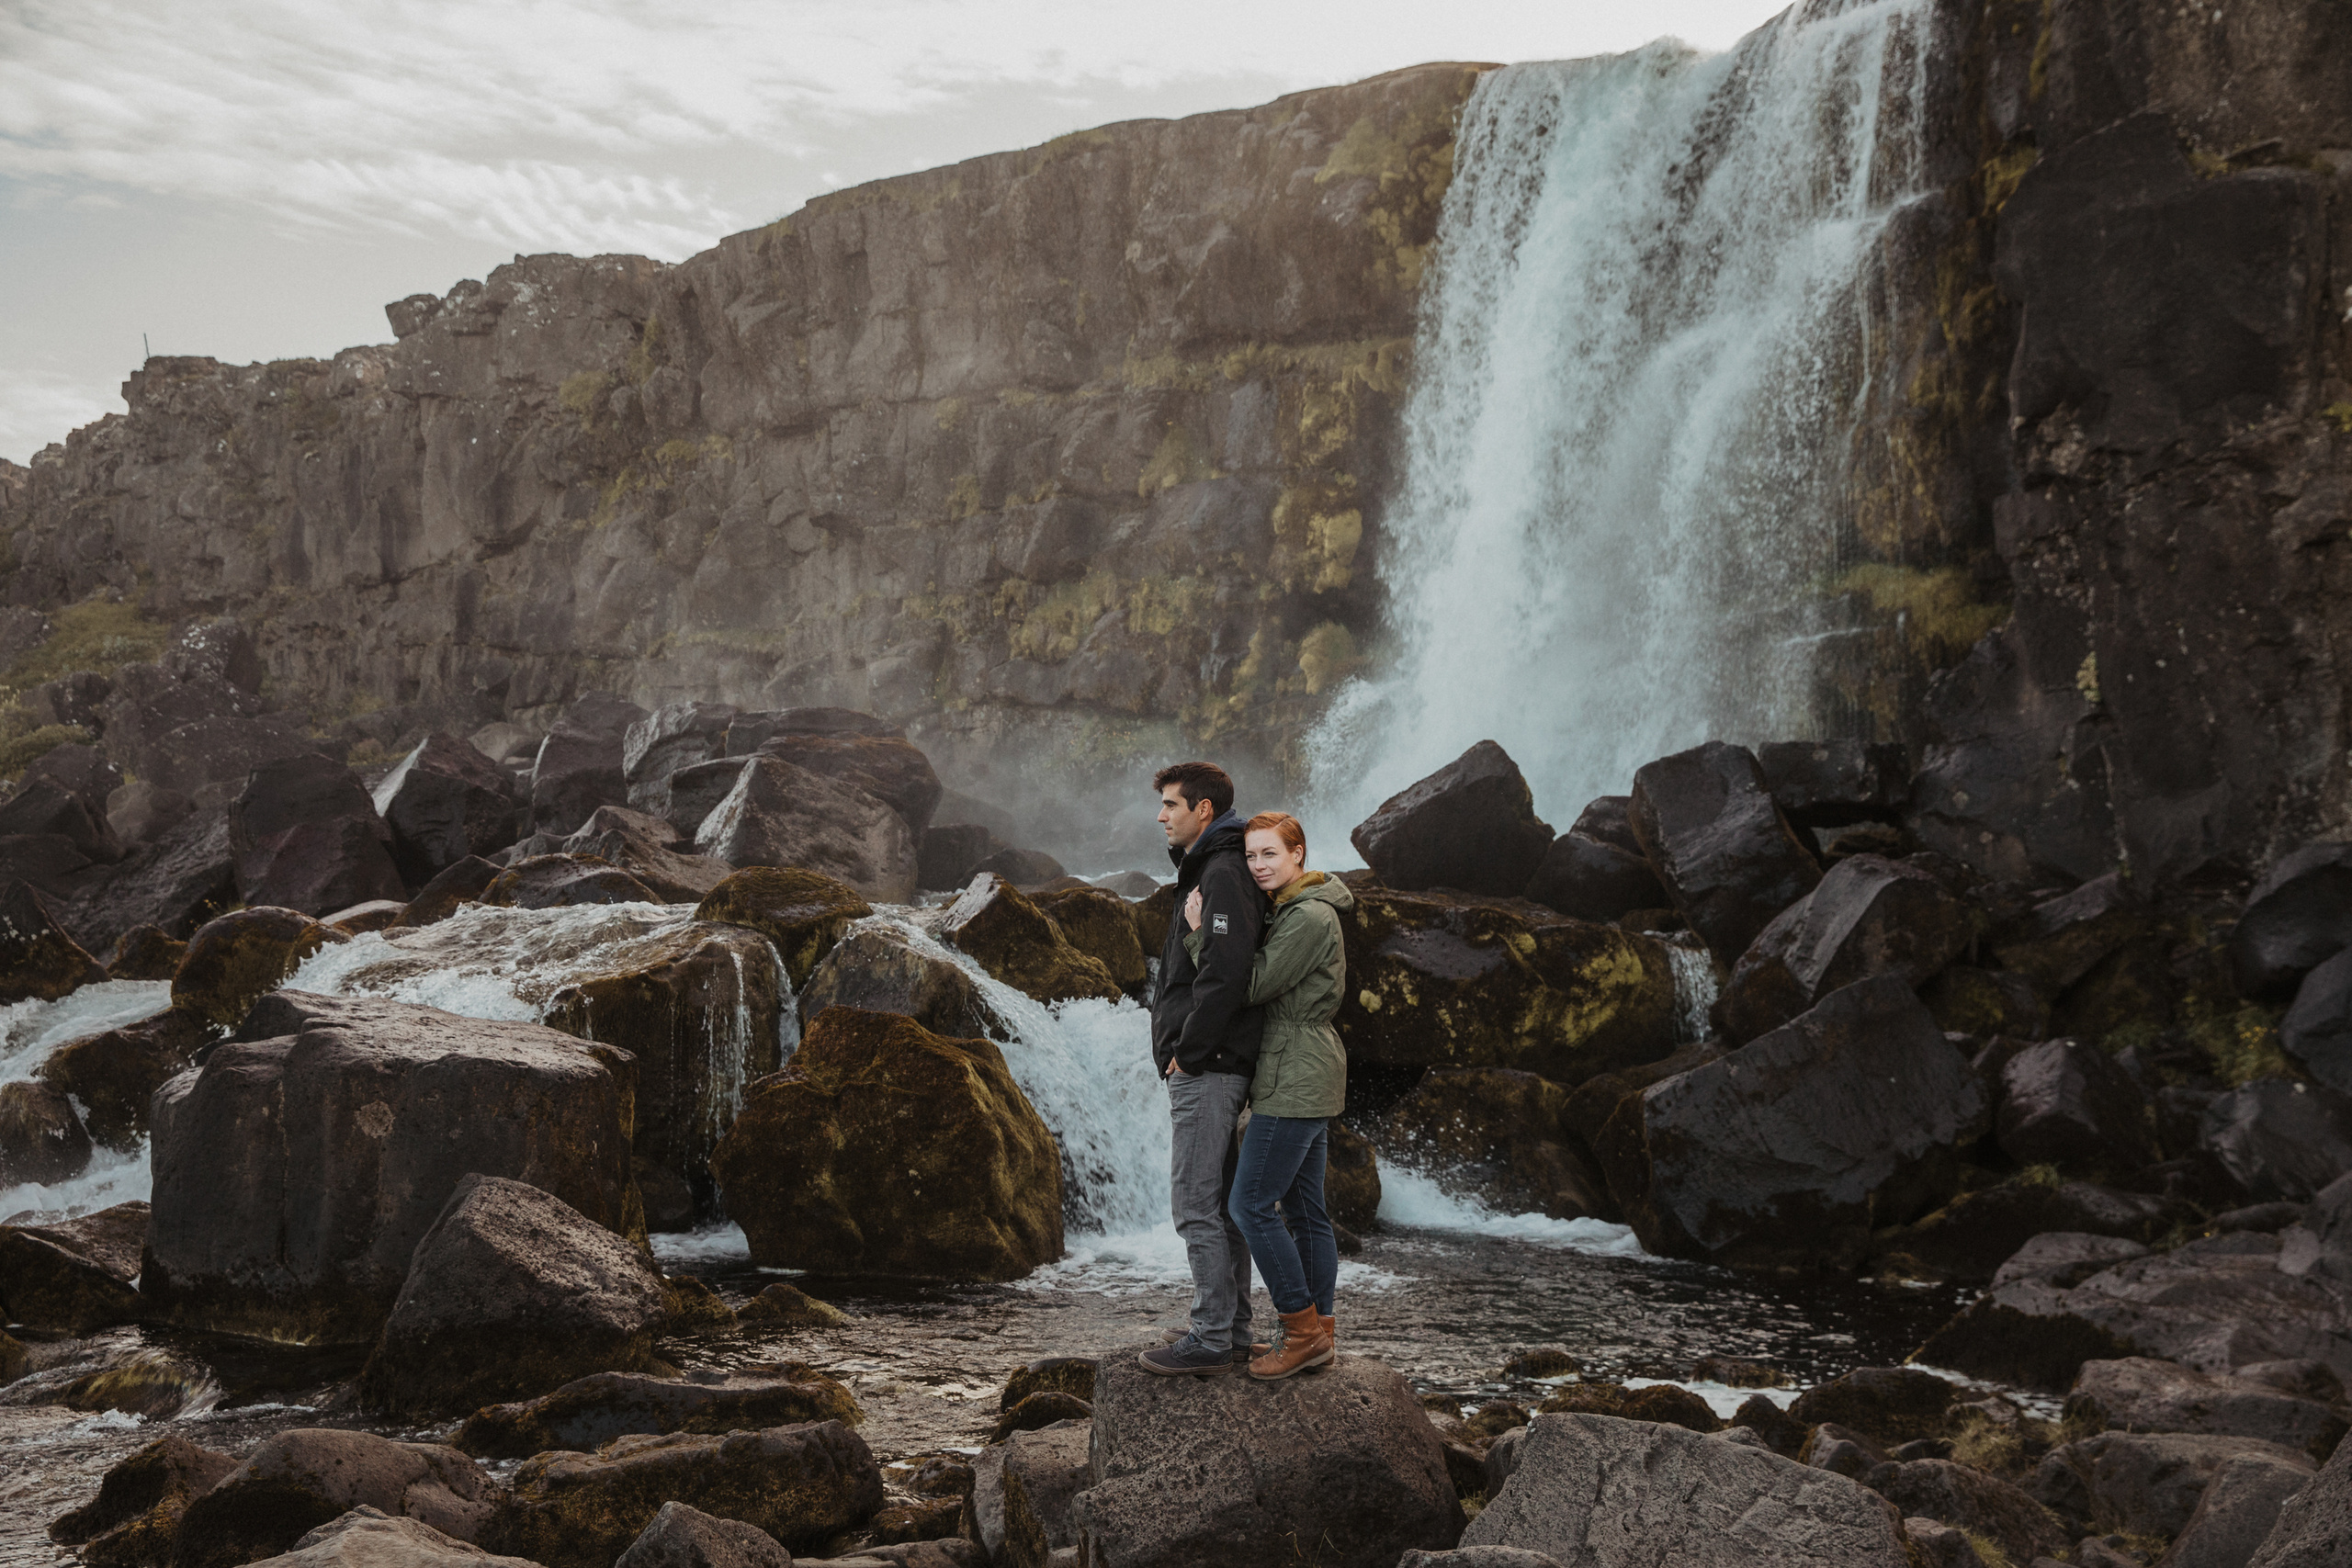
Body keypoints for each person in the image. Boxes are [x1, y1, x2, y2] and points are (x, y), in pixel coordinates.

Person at [1184, 809, 1351, 1380]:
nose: (1258, 865)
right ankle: (1317, 1333)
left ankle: (1301, 1331)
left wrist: (1199, 934)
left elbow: (1249, 984)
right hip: (1303, 1069)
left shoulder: (1307, 918)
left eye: (1270, 854)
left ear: (1298, 853)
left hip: (1294, 1076)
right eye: (1252, 855)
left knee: (1248, 1204)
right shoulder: (1296, 909)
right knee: (1306, 1211)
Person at [1136, 761, 1269, 1377]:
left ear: (1204, 810)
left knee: (1194, 1203)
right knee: (1220, 1203)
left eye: (1170, 804)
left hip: (1208, 1066)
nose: (1161, 815)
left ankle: (1211, 1334)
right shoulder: (1216, 866)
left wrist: (1186, 1052)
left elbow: (1224, 974)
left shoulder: (1219, 871)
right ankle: (1235, 1330)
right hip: (1214, 1061)